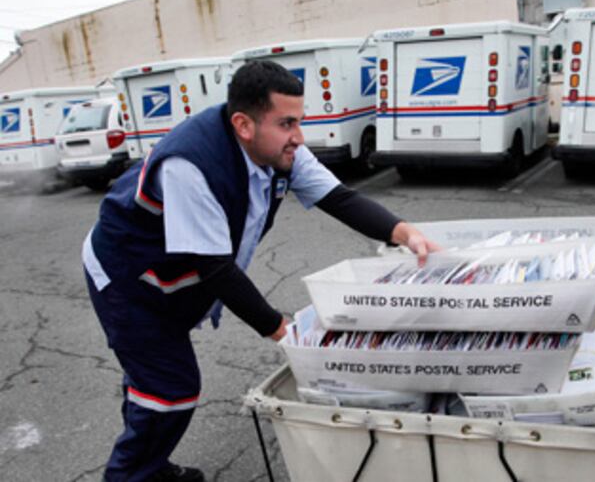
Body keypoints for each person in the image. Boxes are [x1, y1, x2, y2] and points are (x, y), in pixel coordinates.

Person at [83, 60, 439, 482]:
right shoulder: (190, 164)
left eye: (299, 122)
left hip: (174, 277)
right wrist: (283, 332)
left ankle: (150, 464)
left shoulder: (280, 151)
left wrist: (404, 233)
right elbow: (215, 267)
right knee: (170, 389)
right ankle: (127, 476)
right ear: (244, 124)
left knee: (152, 382)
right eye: (287, 123)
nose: (299, 138)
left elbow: (339, 198)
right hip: (127, 277)